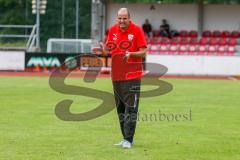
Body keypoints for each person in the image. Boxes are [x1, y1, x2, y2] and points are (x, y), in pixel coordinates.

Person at [99, 8, 147, 149]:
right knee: (120, 108)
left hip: (132, 76)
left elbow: (143, 52)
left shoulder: (137, 30)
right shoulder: (112, 30)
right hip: (117, 76)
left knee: (130, 108)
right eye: (119, 18)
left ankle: (128, 139)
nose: (121, 21)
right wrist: (102, 49)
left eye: (124, 18)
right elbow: (108, 50)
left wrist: (131, 54)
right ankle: (125, 138)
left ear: (129, 18)